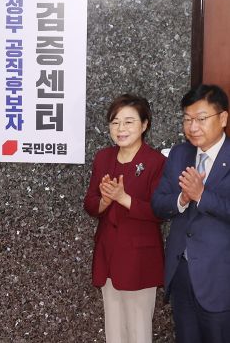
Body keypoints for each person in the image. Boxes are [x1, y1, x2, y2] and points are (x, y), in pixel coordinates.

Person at [83, 94, 166, 343]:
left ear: (145, 124)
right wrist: (105, 201)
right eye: (115, 122)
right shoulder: (103, 158)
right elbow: (90, 202)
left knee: (139, 332)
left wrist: (123, 198)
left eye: (129, 122)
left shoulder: (156, 162)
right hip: (108, 255)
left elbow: (161, 211)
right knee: (114, 331)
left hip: (140, 260)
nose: (121, 129)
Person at [151, 84, 230, 342]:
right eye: (187, 119)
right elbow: (158, 203)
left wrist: (201, 195)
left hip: (221, 277)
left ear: (223, 118)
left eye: (201, 118)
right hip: (182, 274)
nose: (192, 126)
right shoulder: (179, 154)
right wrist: (182, 199)